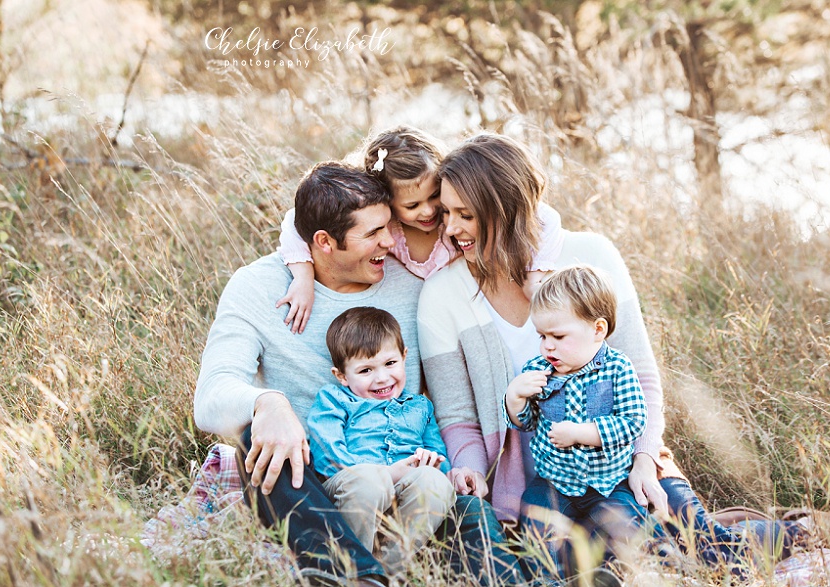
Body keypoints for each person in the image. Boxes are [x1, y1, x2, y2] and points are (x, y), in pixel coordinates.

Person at [416, 132, 805, 580]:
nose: (450, 228)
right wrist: (467, 466)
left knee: (709, 550)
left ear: (506, 209)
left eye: (466, 215)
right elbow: (457, 416)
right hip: (533, 486)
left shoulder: (591, 255)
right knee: (581, 564)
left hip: (621, 459)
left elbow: (641, 377)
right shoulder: (443, 293)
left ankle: (791, 532)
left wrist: (644, 459)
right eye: (446, 213)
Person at [193, 160, 522, 587]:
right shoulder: (257, 287)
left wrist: (449, 464)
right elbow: (211, 397)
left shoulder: (414, 287)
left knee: (468, 509)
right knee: (257, 441)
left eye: (389, 226)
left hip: (404, 468)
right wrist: (266, 402)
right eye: (372, 234)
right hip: (315, 476)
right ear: (324, 242)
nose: (391, 241)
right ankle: (355, 575)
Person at [274, 126, 566, 333]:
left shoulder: (452, 217)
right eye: (412, 206)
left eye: (434, 196)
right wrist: (303, 276)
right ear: (387, 200)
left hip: (464, 309)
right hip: (416, 319)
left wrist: (536, 275)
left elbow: (545, 217)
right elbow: (296, 221)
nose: (428, 211)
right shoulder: (386, 227)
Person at [504, 265, 659, 579]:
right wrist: (514, 400)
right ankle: (548, 578)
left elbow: (633, 421)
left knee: (622, 524)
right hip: (553, 483)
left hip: (609, 482)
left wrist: (582, 433)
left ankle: (599, 573)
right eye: (542, 336)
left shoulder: (617, 368)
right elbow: (528, 423)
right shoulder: (539, 368)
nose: (547, 345)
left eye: (558, 336)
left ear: (597, 330)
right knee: (535, 524)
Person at [307, 307, 456, 575]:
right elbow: (326, 453)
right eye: (365, 370)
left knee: (436, 485)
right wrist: (386, 474)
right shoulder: (335, 399)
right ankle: (350, 571)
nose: (382, 378)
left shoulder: (420, 406)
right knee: (369, 481)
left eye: (390, 363)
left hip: (404, 499)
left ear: (404, 357)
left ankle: (385, 573)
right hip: (352, 491)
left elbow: (437, 452)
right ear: (341, 375)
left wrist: (433, 463)